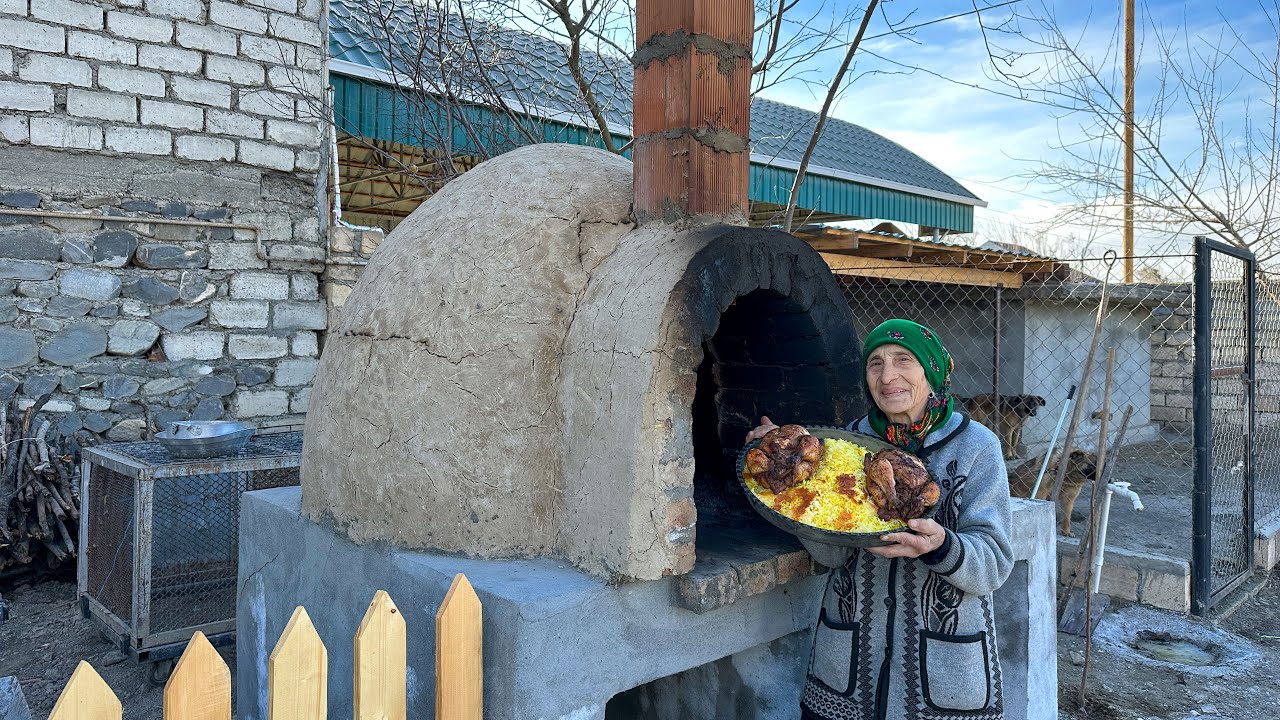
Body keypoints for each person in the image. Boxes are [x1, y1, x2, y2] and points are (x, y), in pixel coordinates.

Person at [746, 318, 1013, 720]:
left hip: (943, 671)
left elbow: (994, 563)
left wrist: (941, 546)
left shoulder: (977, 446)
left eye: (903, 359)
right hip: (849, 667)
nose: (887, 376)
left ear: (932, 370)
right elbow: (833, 556)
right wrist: (787, 479)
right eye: (875, 364)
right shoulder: (846, 442)